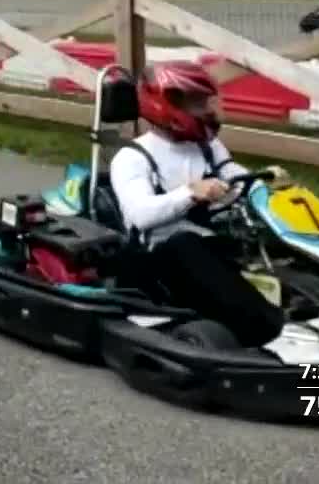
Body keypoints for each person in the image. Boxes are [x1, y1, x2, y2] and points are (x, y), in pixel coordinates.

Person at [109, 61, 288, 348]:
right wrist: (190, 193)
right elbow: (139, 214)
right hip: (154, 260)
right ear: (166, 104)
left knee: (268, 235)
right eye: (197, 103)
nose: (206, 111)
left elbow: (234, 175)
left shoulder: (207, 146)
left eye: (206, 102)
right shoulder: (133, 157)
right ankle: (271, 331)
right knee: (186, 244)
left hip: (206, 245)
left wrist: (265, 185)